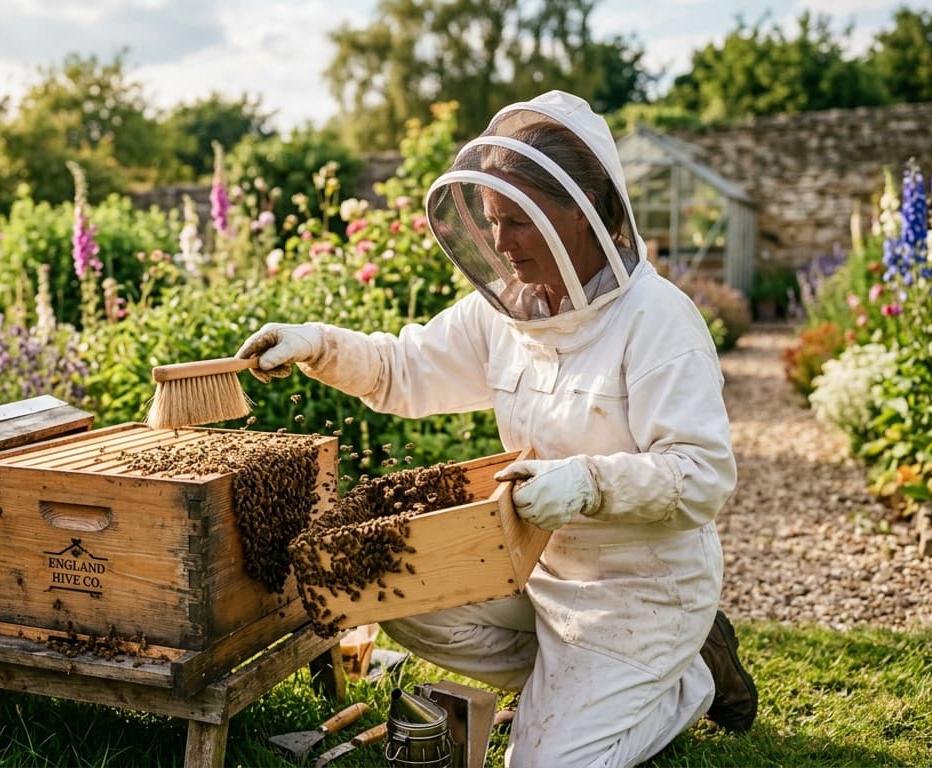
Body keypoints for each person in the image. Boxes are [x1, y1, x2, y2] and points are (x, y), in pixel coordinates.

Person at [236, 90, 757, 767]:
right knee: (393, 586)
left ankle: (682, 679)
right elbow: (404, 369)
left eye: (517, 222)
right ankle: (585, 685)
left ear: (580, 212)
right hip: (535, 571)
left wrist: (589, 484)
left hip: (642, 590)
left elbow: (704, 474)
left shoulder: (658, 321)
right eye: (490, 223)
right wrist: (318, 345)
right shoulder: (507, 313)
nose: (499, 245)